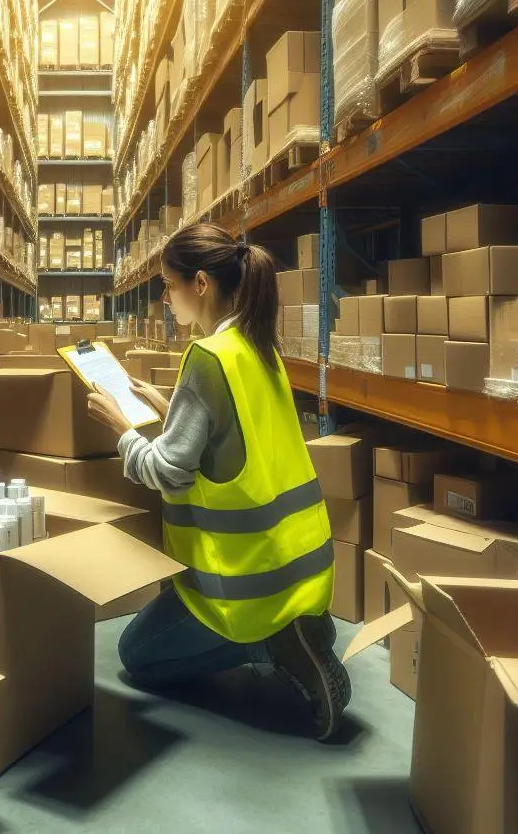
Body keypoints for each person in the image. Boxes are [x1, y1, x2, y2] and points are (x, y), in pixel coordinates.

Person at [87, 223, 350, 740]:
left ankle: (270, 642)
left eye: (168, 284)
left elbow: (168, 473)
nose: (165, 298)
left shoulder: (208, 358)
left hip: (243, 585)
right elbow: (236, 440)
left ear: (200, 284)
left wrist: (120, 426)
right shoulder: (256, 347)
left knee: (135, 655)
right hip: (300, 566)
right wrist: (172, 412)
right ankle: (295, 626)